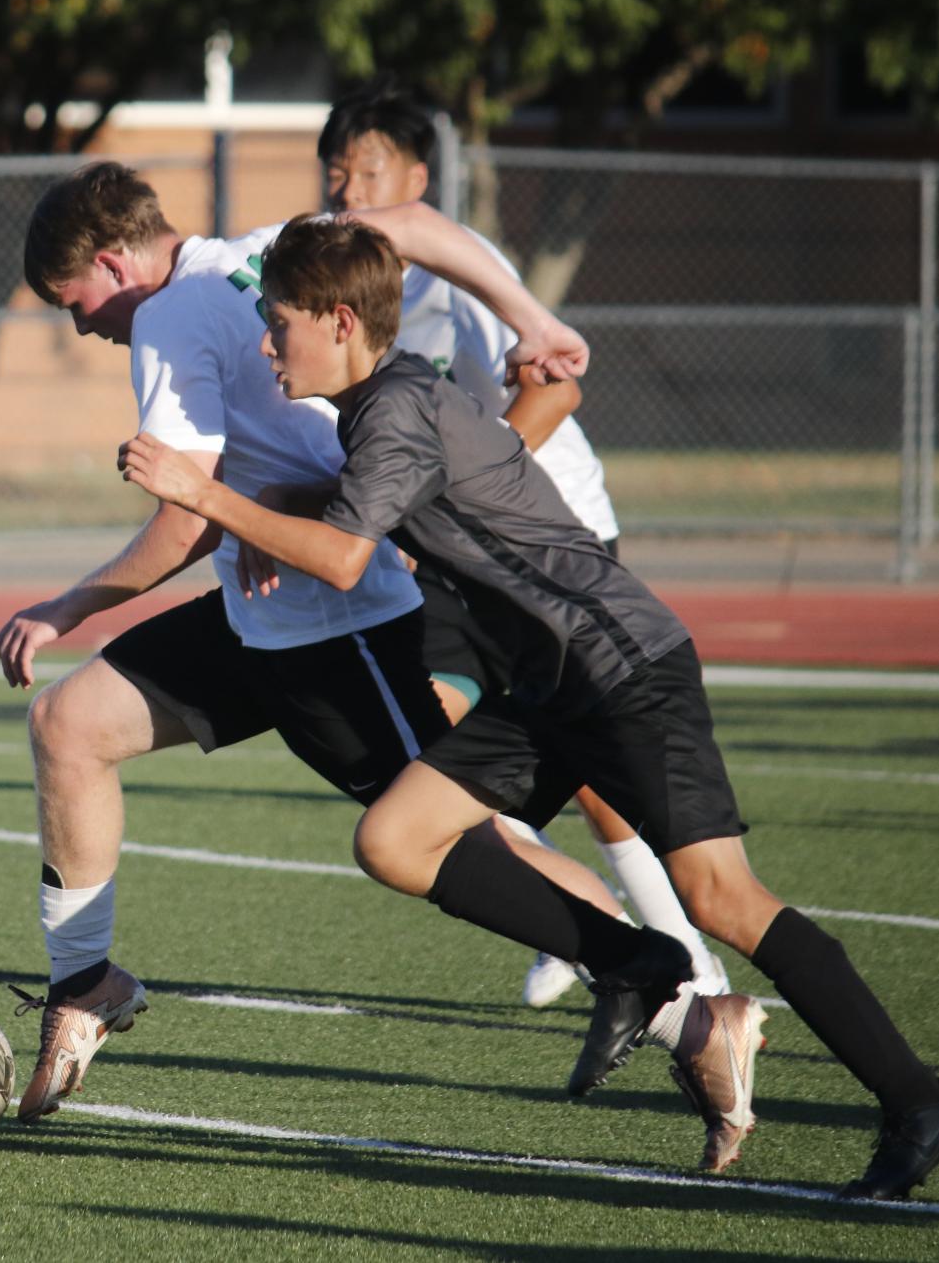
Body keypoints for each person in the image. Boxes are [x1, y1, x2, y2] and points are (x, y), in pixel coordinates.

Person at [119, 214, 939, 1195]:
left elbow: (343, 556)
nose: (266, 342)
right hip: (551, 683)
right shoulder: (392, 397)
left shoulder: (391, 411)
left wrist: (204, 495)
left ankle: (913, 1096)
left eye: (281, 320)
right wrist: (279, 509)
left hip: (619, 666)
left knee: (726, 898)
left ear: (340, 321)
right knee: (395, 838)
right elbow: (357, 502)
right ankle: (634, 959)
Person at [1, 163, 680, 1128]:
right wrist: (532, 315)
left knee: (455, 838)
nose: (78, 326)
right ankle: (85, 985)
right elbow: (414, 226)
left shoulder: (166, 317)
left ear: (113, 260)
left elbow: (184, 516)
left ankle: (686, 1004)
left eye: (74, 302)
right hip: (261, 612)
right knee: (70, 723)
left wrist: (68, 605)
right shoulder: (263, 249)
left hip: (339, 621)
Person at [317, 76, 730, 1012]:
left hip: (547, 526)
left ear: (415, 178)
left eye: (367, 170)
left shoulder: (458, 272)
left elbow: (550, 390)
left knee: (590, 770)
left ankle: (676, 957)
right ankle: (576, 923)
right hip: (454, 541)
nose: (347, 190)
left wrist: (441, 494)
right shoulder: (347, 276)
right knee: (444, 735)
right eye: (335, 172)